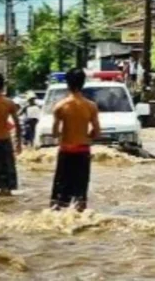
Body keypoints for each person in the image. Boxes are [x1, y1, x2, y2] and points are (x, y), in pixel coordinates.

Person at [50, 68, 101, 211]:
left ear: (67, 83)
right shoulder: (91, 106)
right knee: (80, 195)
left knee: (59, 198)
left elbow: (55, 133)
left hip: (66, 151)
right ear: (83, 83)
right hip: (82, 151)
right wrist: (87, 136)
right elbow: (97, 132)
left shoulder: (60, 106)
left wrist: (65, 134)